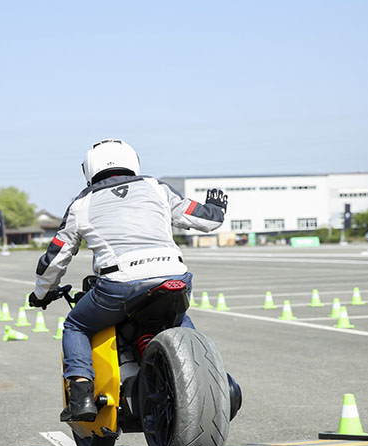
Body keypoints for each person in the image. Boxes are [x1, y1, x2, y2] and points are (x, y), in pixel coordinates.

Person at [29, 139, 227, 422]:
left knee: (76, 324)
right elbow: (206, 220)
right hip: (173, 276)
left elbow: (56, 257)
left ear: (89, 168)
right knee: (177, 317)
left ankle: (82, 396)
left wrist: (41, 293)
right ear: (133, 161)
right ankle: (215, 381)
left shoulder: (82, 203)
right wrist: (216, 207)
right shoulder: (156, 187)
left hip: (119, 285)